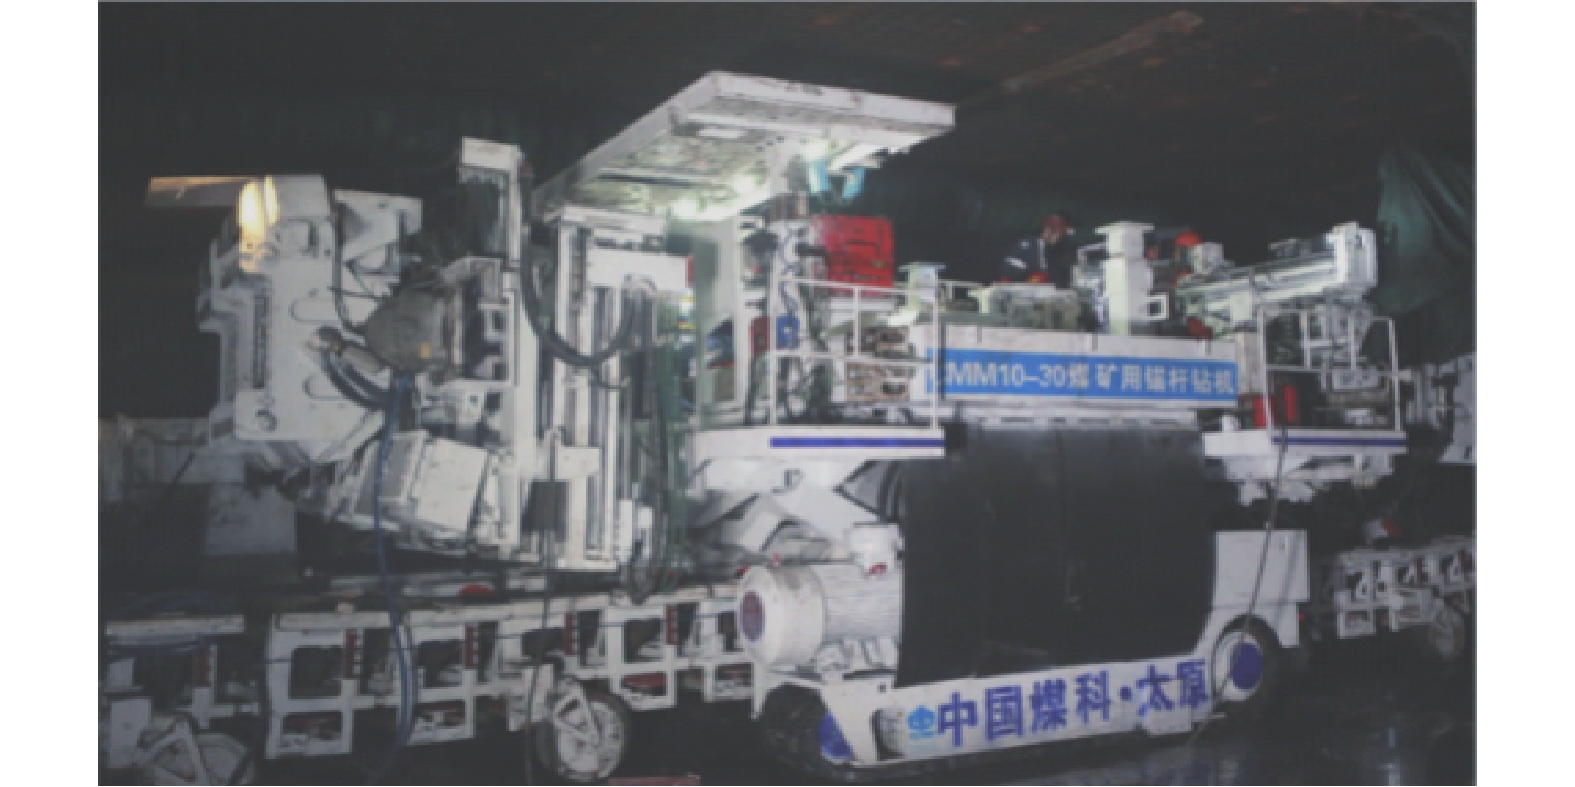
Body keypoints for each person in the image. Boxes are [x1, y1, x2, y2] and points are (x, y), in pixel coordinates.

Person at [999, 211, 1078, 287]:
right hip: (1019, 287)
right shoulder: (1027, 245)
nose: (1052, 234)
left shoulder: (1062, 251)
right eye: (1051, 229)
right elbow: (1008, 268)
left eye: (1058, 232)